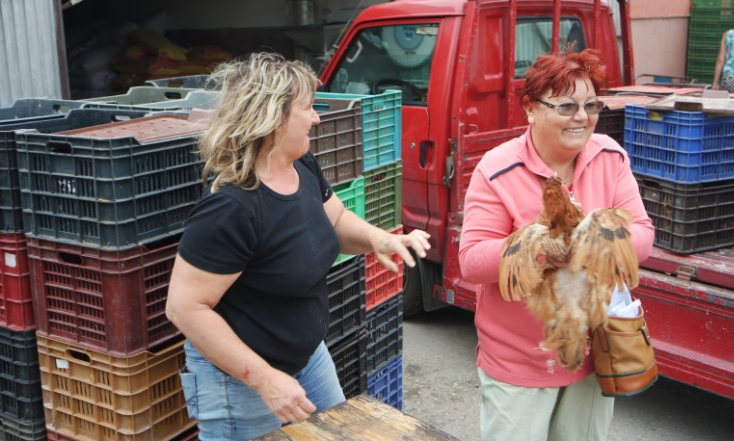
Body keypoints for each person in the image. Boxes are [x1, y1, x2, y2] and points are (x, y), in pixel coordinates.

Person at [165, 52, 430, 441]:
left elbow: (336, 219)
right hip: (241, 379)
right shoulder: (232, 207)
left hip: (308, 357)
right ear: (272, 117)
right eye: (307, 108)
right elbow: (185, 307)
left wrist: (380, 239)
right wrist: (266, 379)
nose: (317, 117)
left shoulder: (301, 164)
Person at [458, 47, 654, 441]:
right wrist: (538, 247)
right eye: (566, 106)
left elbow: (643, 237)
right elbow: (472, 261)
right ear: (531, 108)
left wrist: (595, 240)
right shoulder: (498, 169)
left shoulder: (609, 156)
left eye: (591, 105)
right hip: (519, 358)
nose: (582, 117)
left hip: (595, 350)